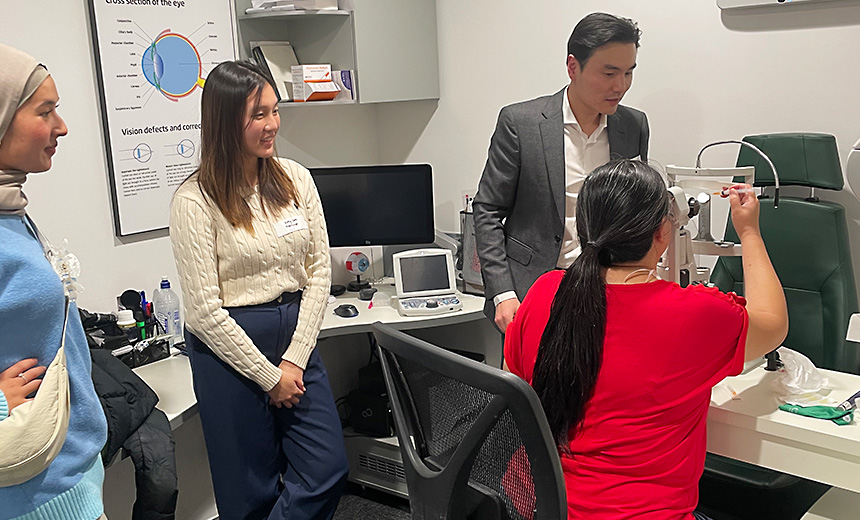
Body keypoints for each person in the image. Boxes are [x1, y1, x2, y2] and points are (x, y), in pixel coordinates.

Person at [504, 160, 788, 519]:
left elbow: (514, 386)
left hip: (532, 507)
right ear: (661, 233)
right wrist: (749, 232)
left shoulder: (544, 291)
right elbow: (773, 323)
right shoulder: (694, 316)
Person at [169, 60, 348, 520]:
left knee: (327, 469)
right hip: (229, 348)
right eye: (258, 115)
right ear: (227, 123)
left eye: (274, 111)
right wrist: (269, 378)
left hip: (295, 338)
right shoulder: (194, 201)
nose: (272, 125)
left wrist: (293, 359)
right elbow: (204, 313)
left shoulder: (294, 178)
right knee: (249, 490)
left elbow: (318, 273)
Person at [474, 12, 649, 332]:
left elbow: (633, 214)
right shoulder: (521, 123)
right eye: (609, 72)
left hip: (606, 291)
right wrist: (502, 293)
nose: (620, 86)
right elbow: (487, 209)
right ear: (573, 67)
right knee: (530, 383)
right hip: (532, 292)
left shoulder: (633, 126)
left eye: (628, 72)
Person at [0, 43, 108, 519]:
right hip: (30, 492)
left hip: (69, 469)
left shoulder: (11, 210)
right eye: (45, 111)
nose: (61, 126)